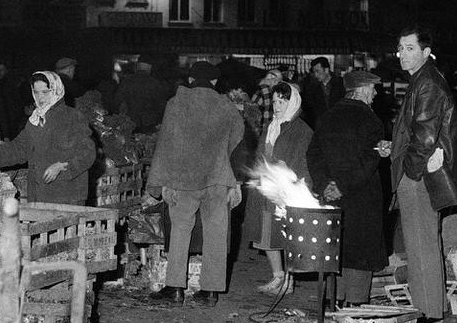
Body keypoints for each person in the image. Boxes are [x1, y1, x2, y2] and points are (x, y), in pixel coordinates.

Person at [145, 60, 245, 307]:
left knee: (180, 229)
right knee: (216, 233)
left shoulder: (177, 103)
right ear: (213, 82)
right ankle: (210, 292)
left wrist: (160, 183)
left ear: (190, 80)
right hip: (218, 179)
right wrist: (236, 181)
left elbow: (166, 143)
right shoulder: (227, 106)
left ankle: (175, 288)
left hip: (184, 179)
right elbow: (239, 143)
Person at [389, 24, 457, 322]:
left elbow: (425, 136)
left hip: (419, 177)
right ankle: (431, 308)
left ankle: (428, 313)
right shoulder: (424, 79)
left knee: (420, 246)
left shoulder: (428, 83)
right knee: (423, 244)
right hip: (420, 173)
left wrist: (410, 171)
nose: (401, 54)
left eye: (409, 49)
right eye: (400, 49)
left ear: (426, 52)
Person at [306, 69, 387, 306]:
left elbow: (313, 154)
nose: (375, 92)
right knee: (360, 252)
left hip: (332, 196)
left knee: (334, 249)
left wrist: (325, 184)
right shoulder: (371, 121)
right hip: (361, 196)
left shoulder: (327, 116)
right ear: (361, 90)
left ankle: (331, 303)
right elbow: (368, 161)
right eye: (372, 88)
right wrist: (343, 185)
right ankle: (355, 305)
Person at [242, 80, 314, 295]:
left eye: (283, 101)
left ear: (293, 102)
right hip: (266, 189)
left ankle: (289, 280)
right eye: (274, 101)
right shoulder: (271, 126)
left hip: (286, 190)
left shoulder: (302, 130)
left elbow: (304, 162)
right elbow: (261, 155)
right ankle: (278, 276)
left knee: (286, 236)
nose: (277, 106)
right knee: (267, 234)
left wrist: (292, 178)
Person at [0, 70, 96, 204]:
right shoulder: (35, 120)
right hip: (39, 195)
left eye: (45, 92)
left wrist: (62, 167)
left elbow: (88, 153)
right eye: (36, 92)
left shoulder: (72, 117)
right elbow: (19, 148)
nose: (40, 98)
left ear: (56, 90)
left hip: (67, 195)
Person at [114, 58, 171, 133]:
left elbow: (117, 102)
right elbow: (161, 105)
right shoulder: (154, 83)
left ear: (137, 67)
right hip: (149, 123)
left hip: (131, 122)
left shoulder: (127, 82)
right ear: (149, 68)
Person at [300, 56, 344, 128]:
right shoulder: (312, 89)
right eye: (314, 72)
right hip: (320, 128)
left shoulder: (341, 84)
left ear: (326, 70)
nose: (316, 75)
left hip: (339, 126)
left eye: (318, 71)